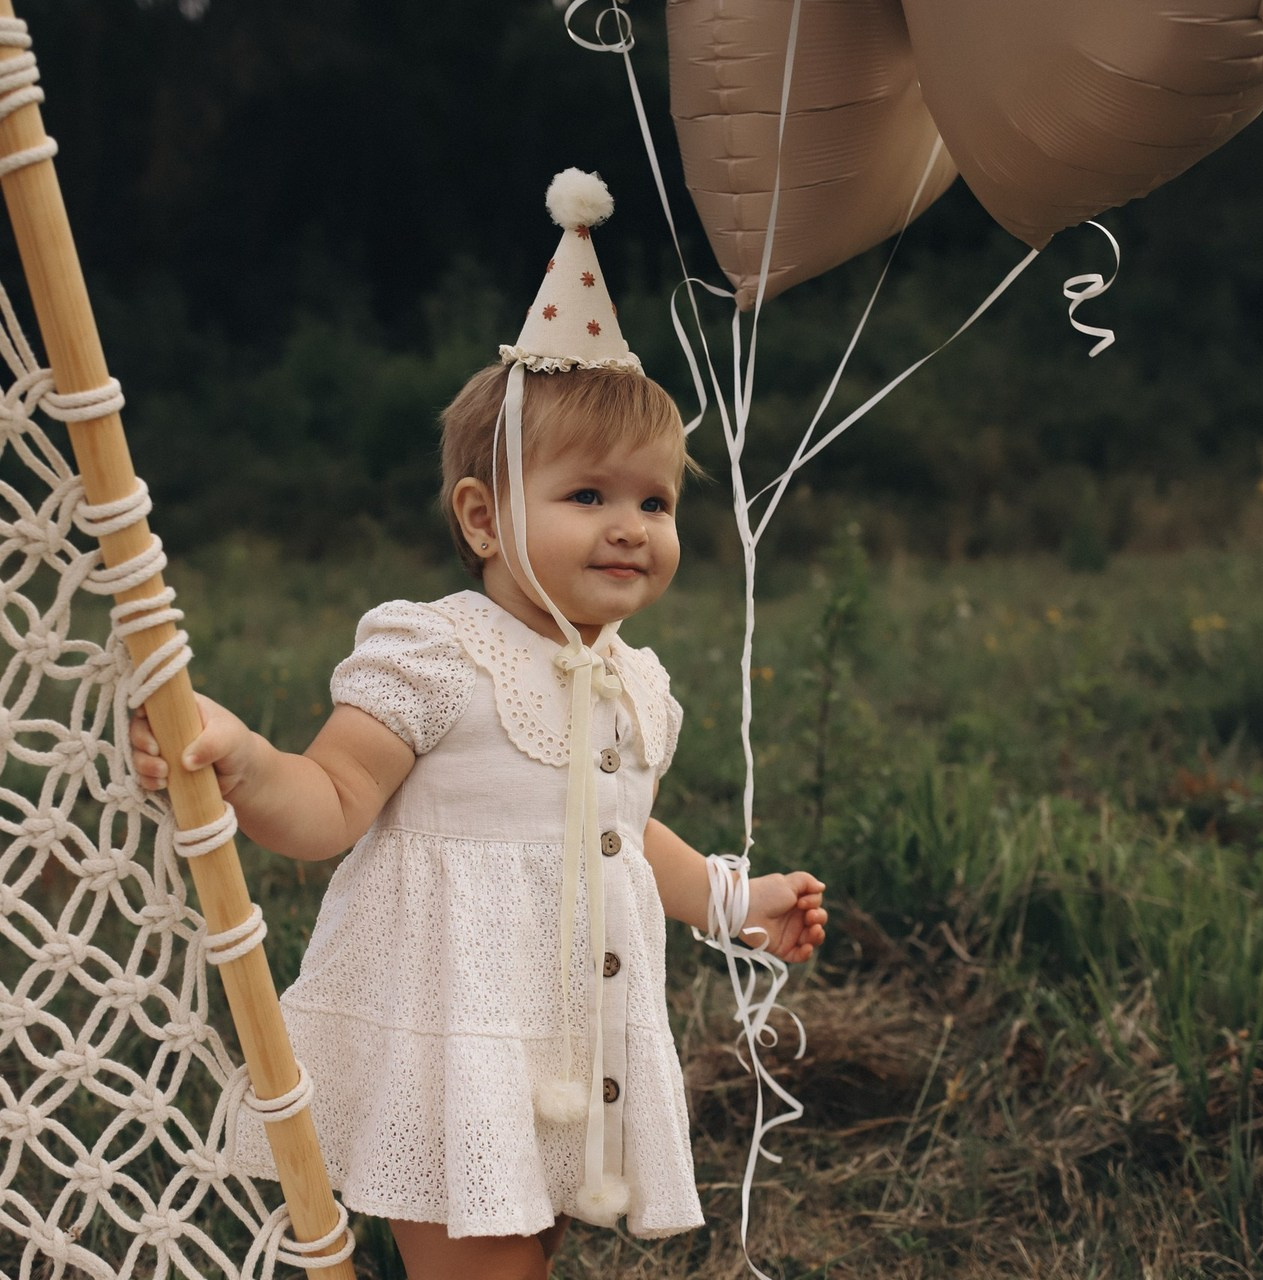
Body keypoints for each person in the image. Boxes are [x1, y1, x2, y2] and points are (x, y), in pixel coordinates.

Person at [131, 169, 827, 1280]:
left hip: (563, 1035)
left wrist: (730, 899)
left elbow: (615, 828)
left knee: (528, 1244)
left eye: (653, 501)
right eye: (587, 495)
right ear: (483, 516)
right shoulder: (436, 650)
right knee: (485, 1259)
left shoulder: (633, 681)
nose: (629, 527)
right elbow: (332, 803)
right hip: (455, 1031)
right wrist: (249, 760)